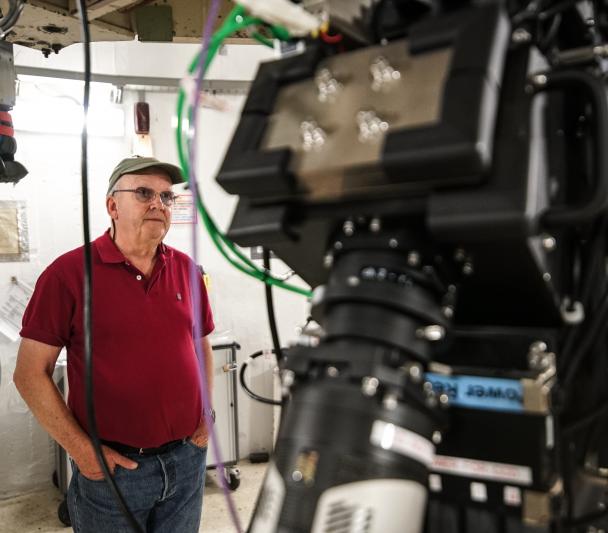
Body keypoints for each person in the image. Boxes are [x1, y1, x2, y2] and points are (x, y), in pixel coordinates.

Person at [13, 156, 215, 533]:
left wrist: (207, 413)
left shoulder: (189, 270)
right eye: (143, 193)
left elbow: (201, 343)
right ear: (112, 206)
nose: (158, 204)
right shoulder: (68, 275)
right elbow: (29, 374)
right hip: (113, 471)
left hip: (187, 460)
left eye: (167, 197)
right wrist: (81, 450)